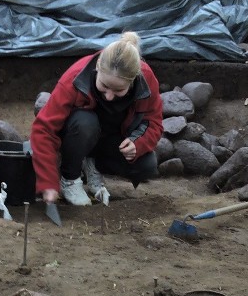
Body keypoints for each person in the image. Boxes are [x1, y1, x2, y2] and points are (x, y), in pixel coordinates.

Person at [30, 31, 163, 207]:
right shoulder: (75, 77)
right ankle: (69, 178)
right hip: (77, 135)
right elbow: (43, 129)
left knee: (147, 164)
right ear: (98, 66)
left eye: (118, 91)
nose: (109, 96)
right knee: (85, 123)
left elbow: (153, 122)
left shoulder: (146, 79)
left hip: (110, 141)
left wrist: (136, 143)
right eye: (104, 86)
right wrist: (48, 182)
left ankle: (94, 166)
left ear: (133, 80)